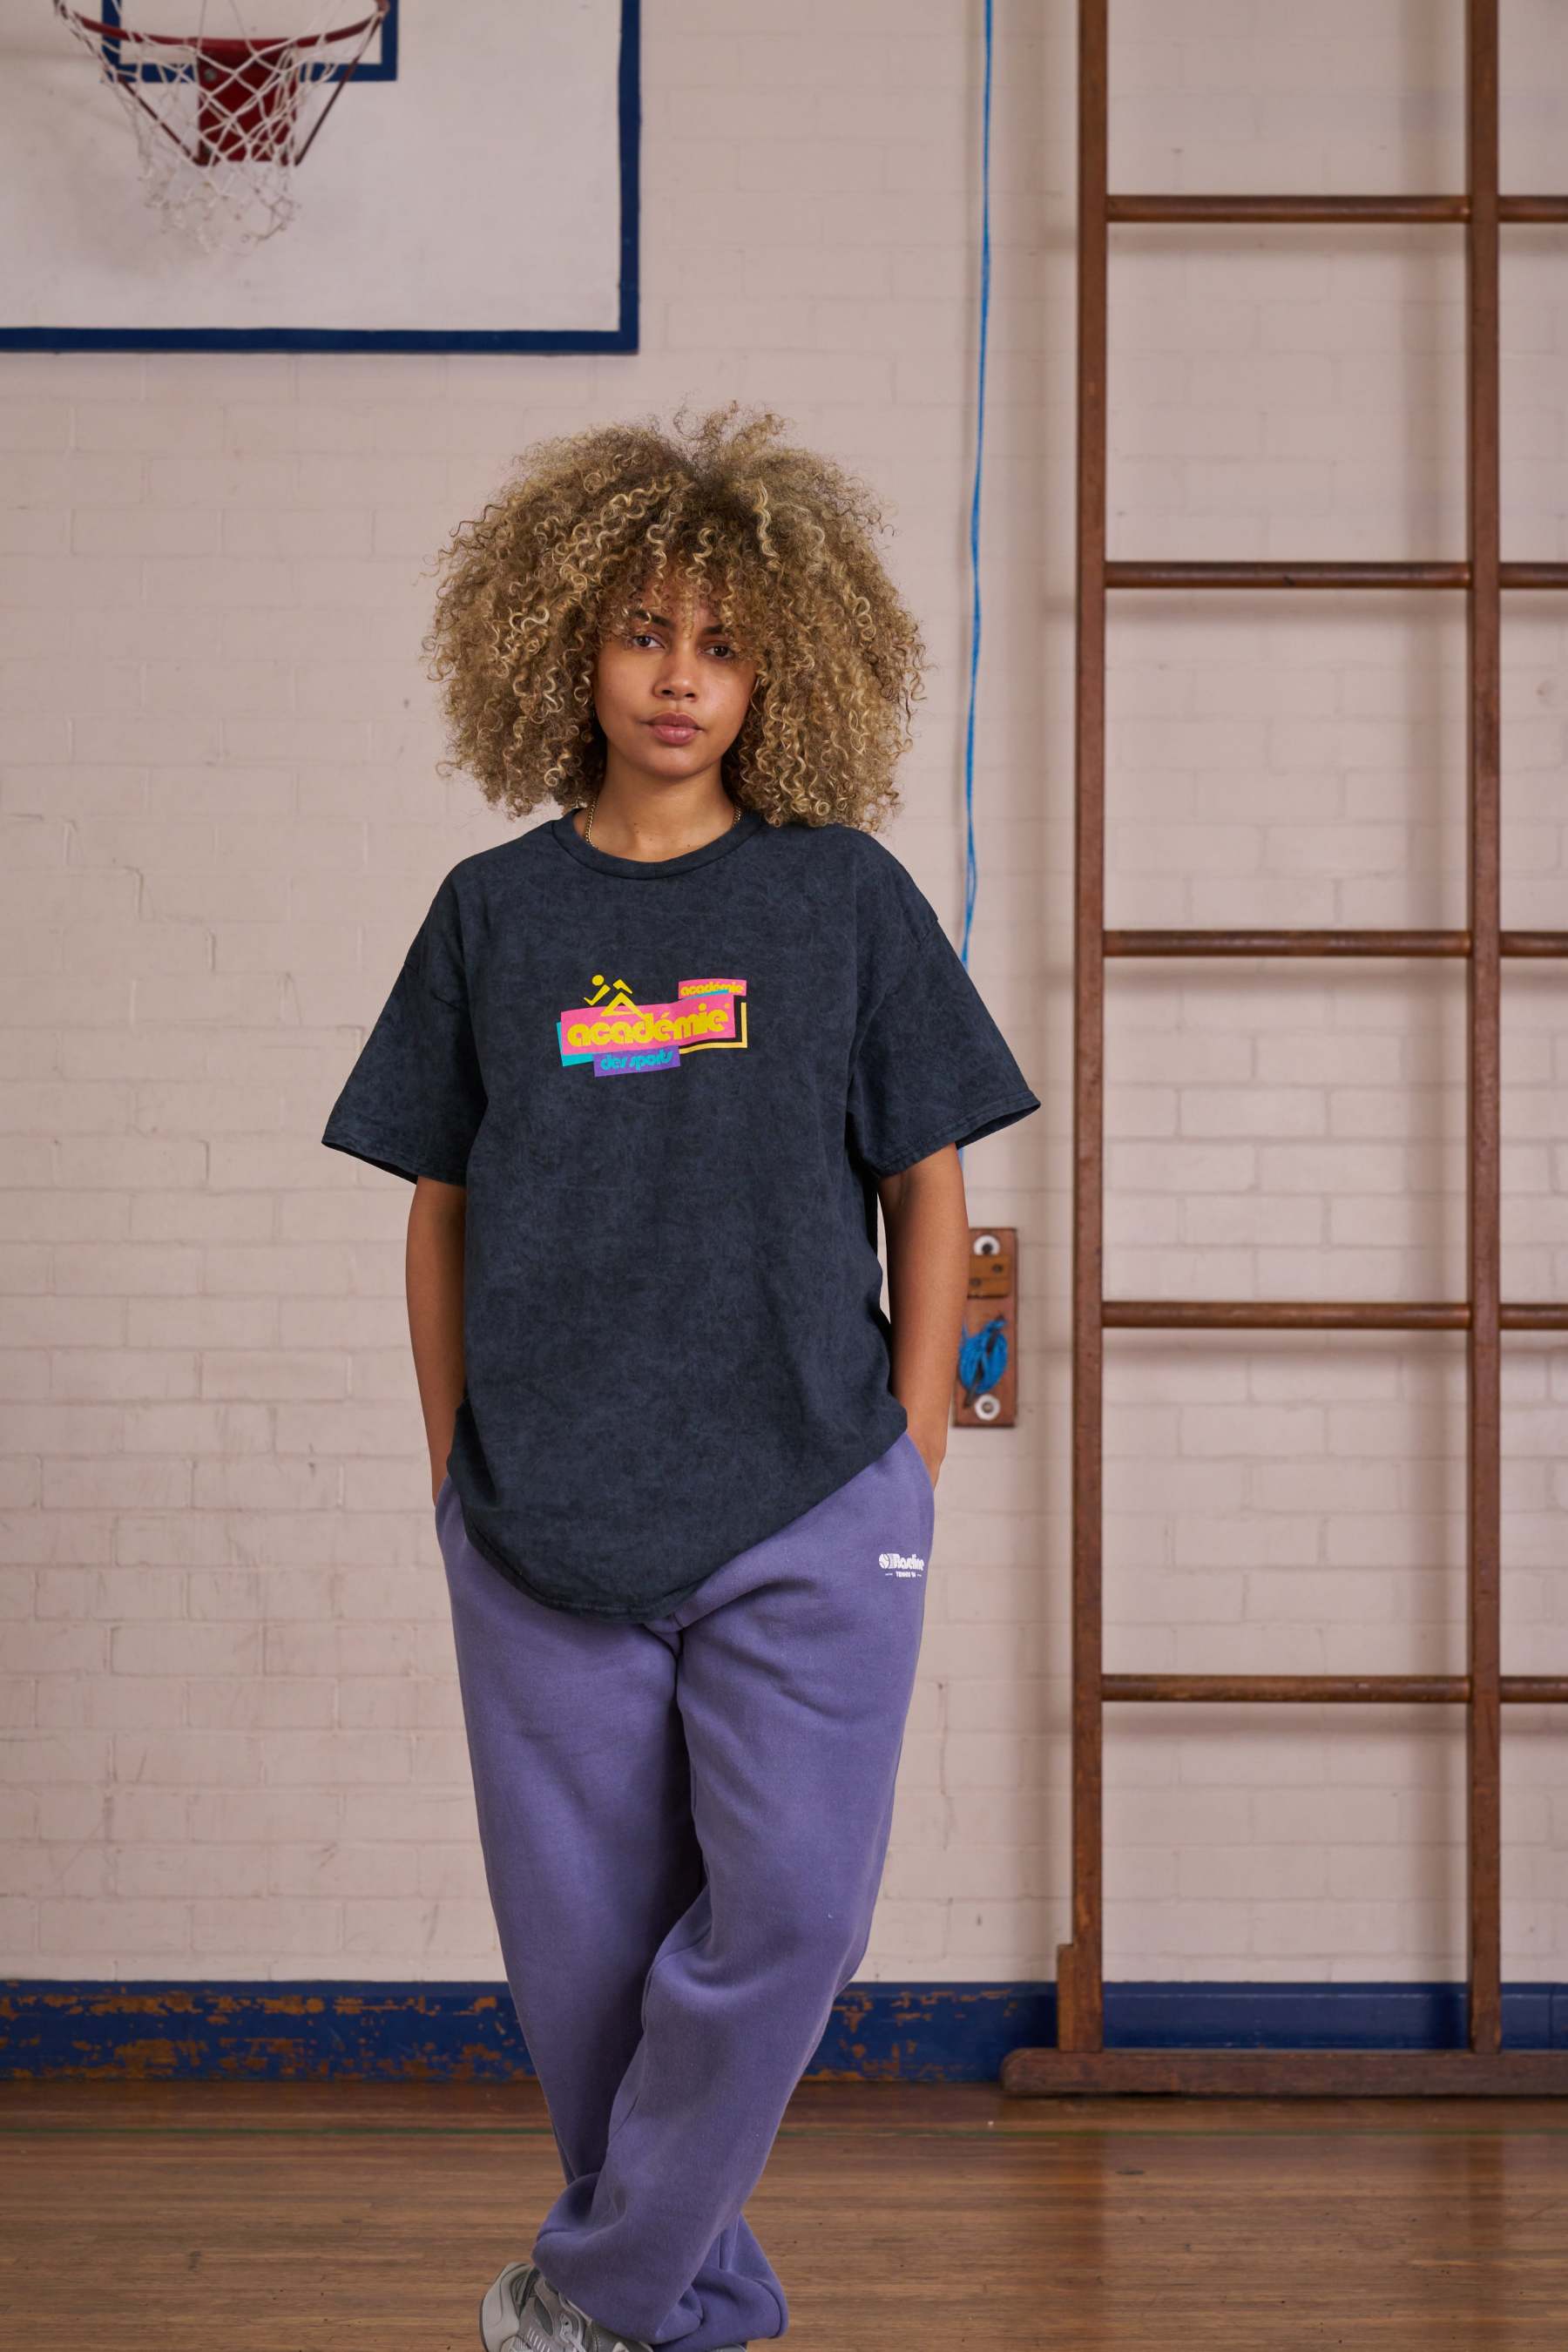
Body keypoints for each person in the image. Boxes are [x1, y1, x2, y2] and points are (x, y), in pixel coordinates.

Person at [320, 403, 1041, 2352]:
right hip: (538, 1517)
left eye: (721, 644)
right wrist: (456, 1469)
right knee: (581, 1967)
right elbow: (440, 1207)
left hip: (812, 1498)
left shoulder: (842, 900)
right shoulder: (494, 914)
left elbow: (931, 1184)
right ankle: (675, 2308)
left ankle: (592, 2286)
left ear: (779, 671)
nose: (678, 676)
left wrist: (910, 1453)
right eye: (643, 631)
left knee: (794, 1910)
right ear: (564, 641)